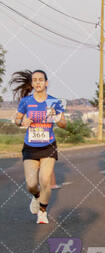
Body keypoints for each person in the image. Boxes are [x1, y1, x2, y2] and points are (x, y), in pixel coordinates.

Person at [11, 69, 66, 224]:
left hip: (48, 146)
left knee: (45, 180)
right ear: (32, 83)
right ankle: (36, 197)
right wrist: (22, 122)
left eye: (40, 79)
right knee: (31, 185)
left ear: (46, 83)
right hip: (30, 146)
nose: (37, 82)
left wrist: (56, 115)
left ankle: (42, 211)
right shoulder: (26, 101)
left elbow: (63, 124)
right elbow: (17, 120)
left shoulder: (53, 101)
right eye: (34, 80)